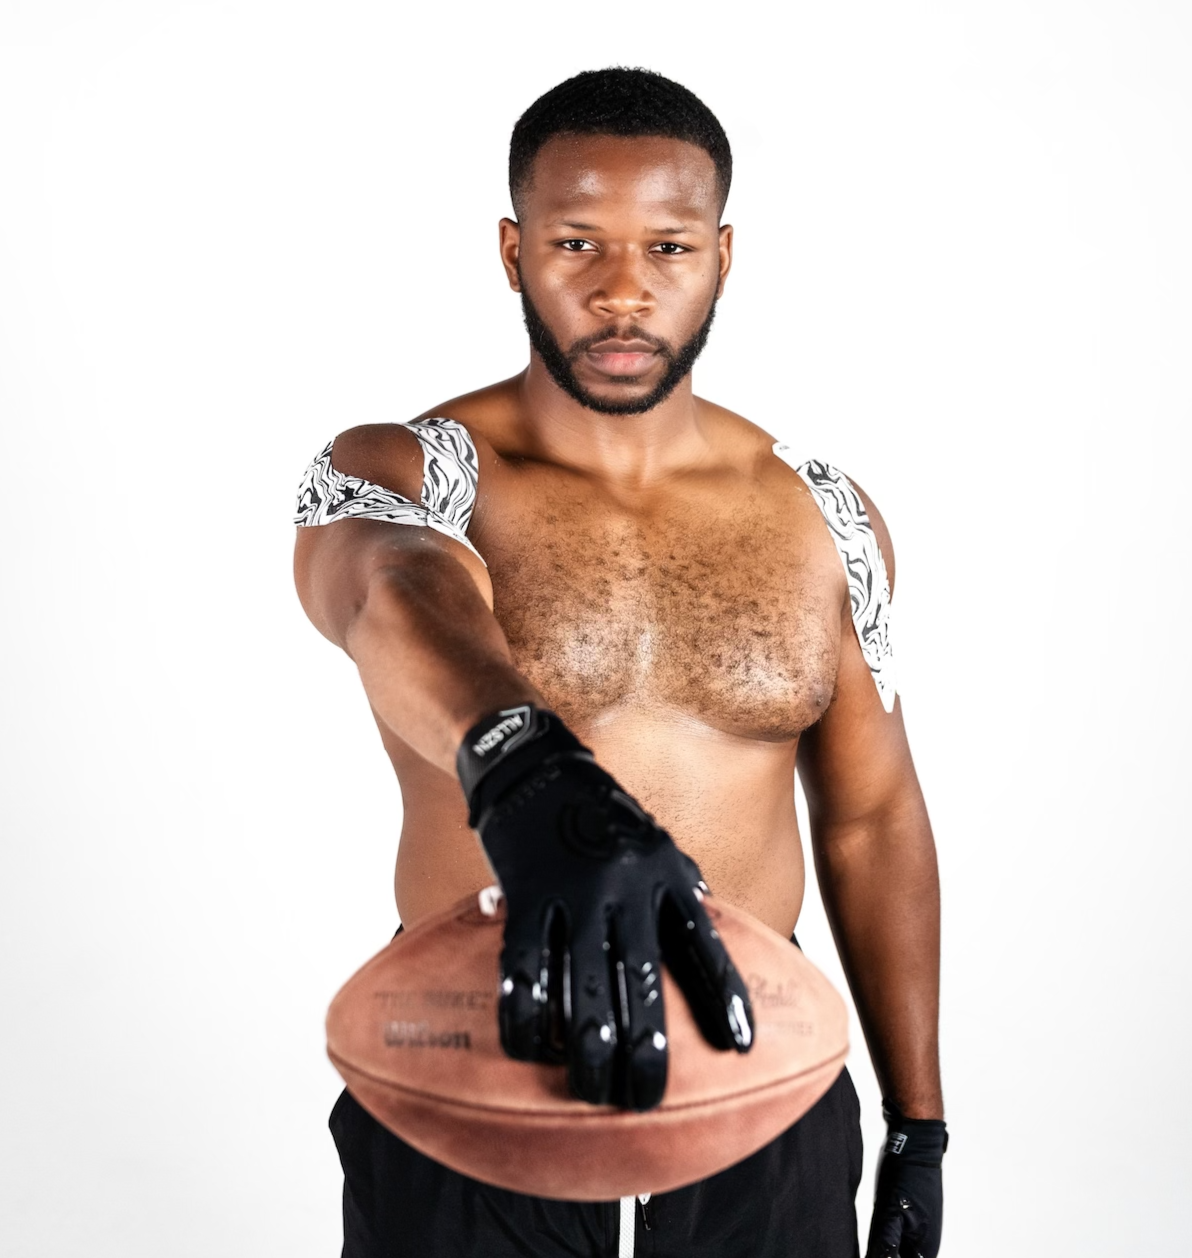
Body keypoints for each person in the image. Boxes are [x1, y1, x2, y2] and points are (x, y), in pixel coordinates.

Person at [294, 67, 946, 1258]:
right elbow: (387, 586)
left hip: (762, 1071)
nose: (623, 291)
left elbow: (870, 817)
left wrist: (919, 1123)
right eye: (578, 242)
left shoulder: (822, 514)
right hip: (480, 1052)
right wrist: (524, 765)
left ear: (724, 254)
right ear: (513, 250)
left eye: (669, 246)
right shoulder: (411, 470)